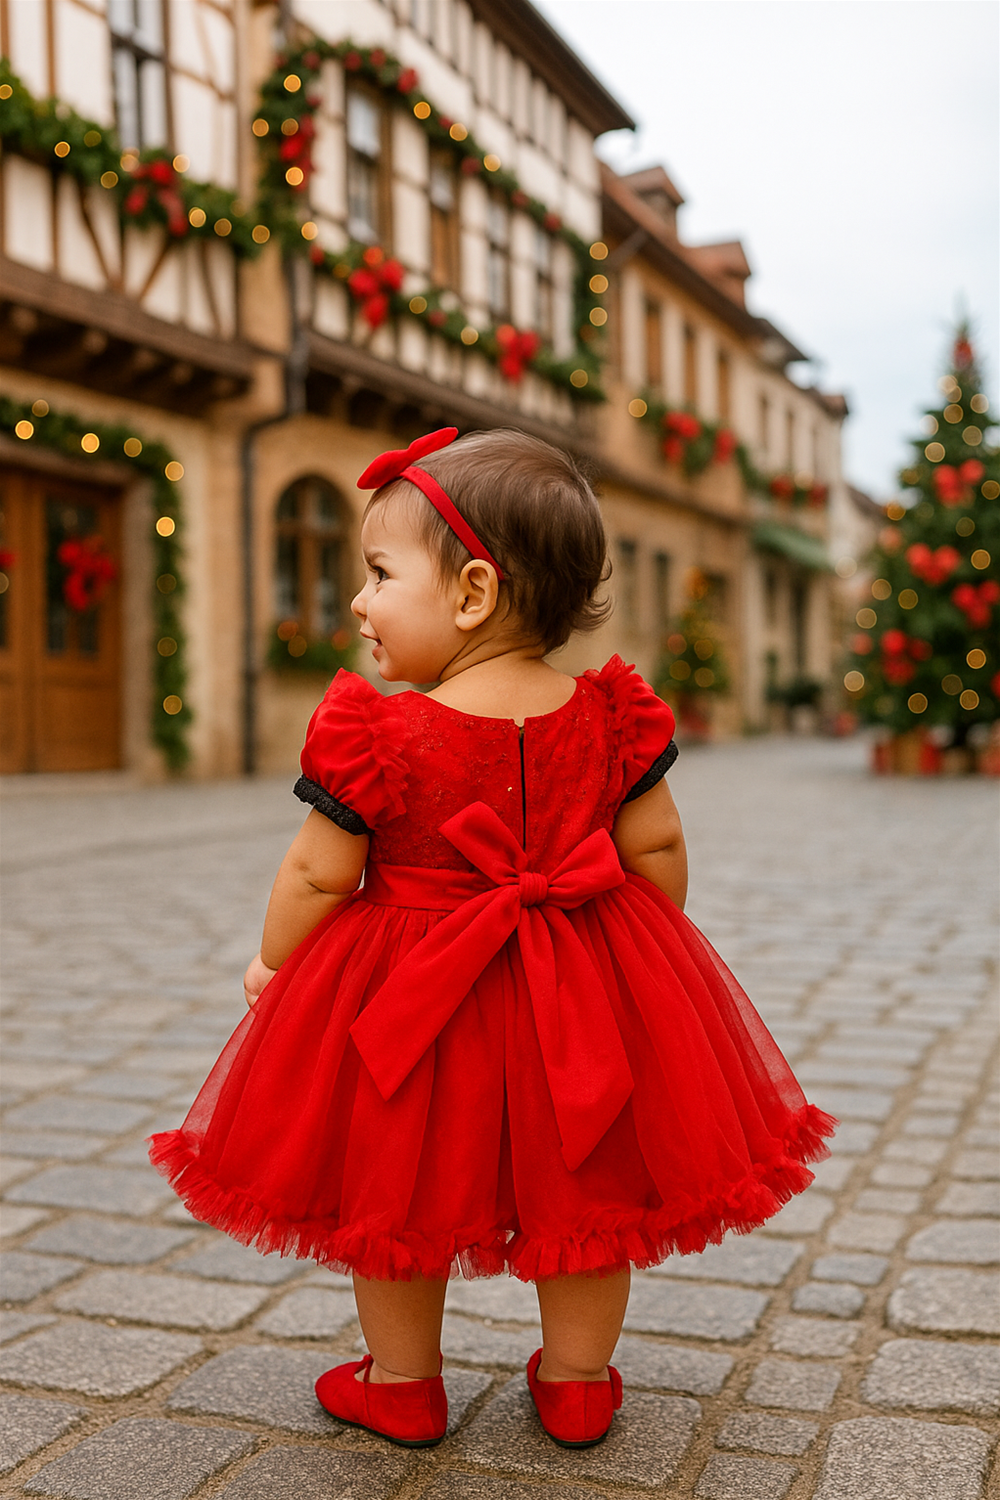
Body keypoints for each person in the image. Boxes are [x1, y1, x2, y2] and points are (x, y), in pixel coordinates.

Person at [149, 427, 835, 1451]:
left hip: (418, 1000)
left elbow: (317, 870)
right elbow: (655, 843)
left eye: (378, 573)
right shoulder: (609, 718)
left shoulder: (378, 735)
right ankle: (576, 1380)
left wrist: (277, 963)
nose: (357, 601)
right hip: (578, 987)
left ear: (471, 593)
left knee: (398, 1186)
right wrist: (646, 957)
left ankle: (401, 1383)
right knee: (587, 1188)